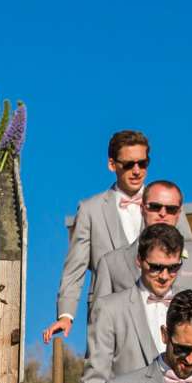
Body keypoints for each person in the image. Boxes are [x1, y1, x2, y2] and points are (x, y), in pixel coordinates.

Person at [77, 223, 191, 383]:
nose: (164, 276)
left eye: (173, 268)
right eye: (156, 267)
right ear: (139, 261)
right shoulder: (110, 308)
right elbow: (95, 377)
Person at [46, 129, 152, 343]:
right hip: (109, 316)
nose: (137, 170)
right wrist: (65, 315)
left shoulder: (164, 201)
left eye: (142, 163)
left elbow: (188, 254)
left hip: (157, 312)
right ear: (112, 165)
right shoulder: (90, 210)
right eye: (128, 164)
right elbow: (75, 266)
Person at [141, 179, 192, 298]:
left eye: (171, 209)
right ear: (142, 208)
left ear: (179, 213)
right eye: (155, 207)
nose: (163, 213)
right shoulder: (114, 261)